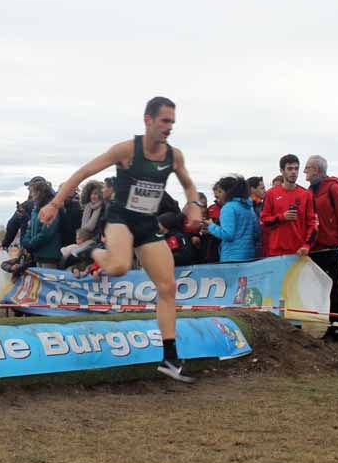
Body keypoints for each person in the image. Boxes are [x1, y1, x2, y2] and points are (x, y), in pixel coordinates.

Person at [39, 96, 203, 383]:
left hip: (147, 224)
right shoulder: (127, 150)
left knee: (168, 287)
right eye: (164, 121)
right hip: (119, 220)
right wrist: (54, 203)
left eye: (172, 122)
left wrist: (194, 205)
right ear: (148, 120)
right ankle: (90, 251)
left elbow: (189, 185)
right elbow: (84, 173)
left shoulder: (173, 156)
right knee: (118, 267)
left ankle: (169, 357)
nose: (169, 127)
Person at [304, 155, 338, 342]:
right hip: (315, 247)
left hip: (331, 247)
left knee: (332, 287)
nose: (305, 172)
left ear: (317, 170)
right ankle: (332, 325)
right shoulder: (310, 191)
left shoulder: (334, 189)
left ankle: (337, 327)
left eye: (307, 168)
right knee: (323, 287)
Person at [260, 154, 317, 258]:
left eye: (296, 169)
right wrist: (282, 217)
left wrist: (307, 245)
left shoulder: (306, 194)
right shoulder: (271, 194)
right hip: (276, 252)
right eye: (290, 169)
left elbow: (312, 224)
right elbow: (264, 221)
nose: (293, 172)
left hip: (299, 252)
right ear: (282, 171)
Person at [205, 175, 258, 263]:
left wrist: (211, 226)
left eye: (220, 191)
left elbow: (227, 235)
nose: (218, 195)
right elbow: (256, 233)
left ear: (228, 192)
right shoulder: (249, 207)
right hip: (249, 256)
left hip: (232, 257)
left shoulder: (228, 208)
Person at [22, 181, 64, 268]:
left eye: (32, 192)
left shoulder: (51, 209)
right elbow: (30, 228)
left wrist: (31, 244)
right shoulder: (35, 210)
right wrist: (26, 241)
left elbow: (47, 233)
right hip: (38, 254)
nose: (31, 194)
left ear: (38, 193)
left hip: (49, 255)